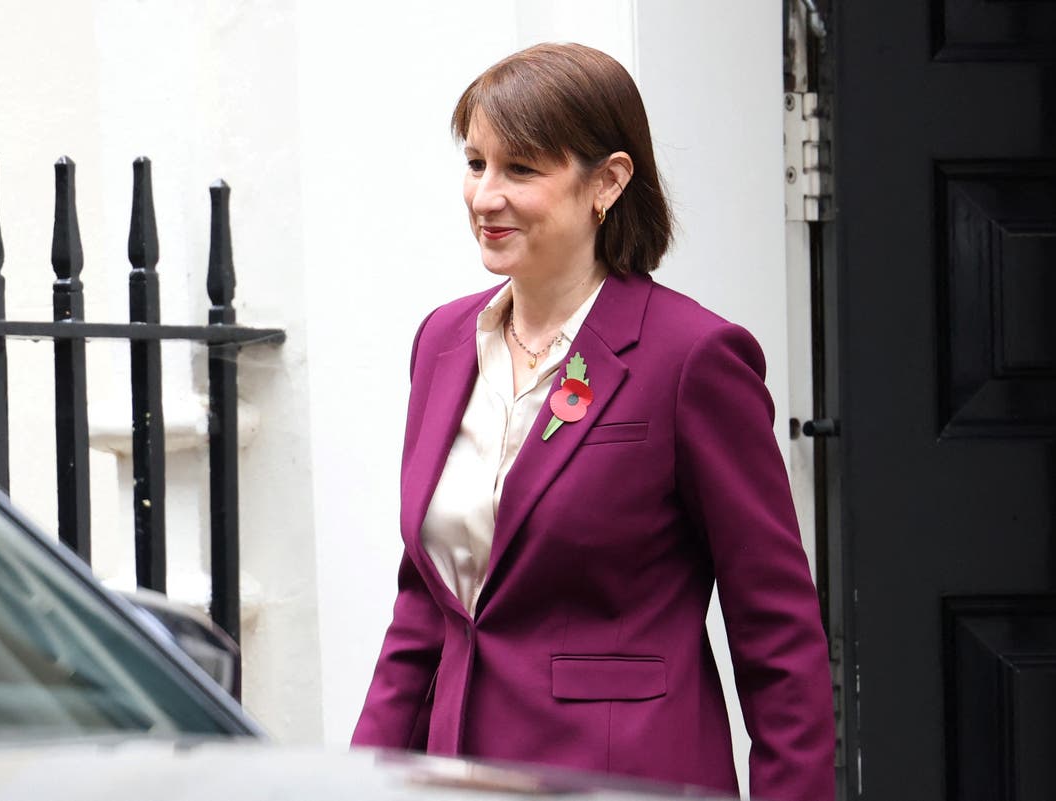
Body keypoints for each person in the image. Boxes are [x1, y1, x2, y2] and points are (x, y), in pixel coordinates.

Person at [352, 42, 835, 800]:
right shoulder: (442, 344)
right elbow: (424, 607)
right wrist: (360, 780)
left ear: (607, 181)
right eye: (476, 163)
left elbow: (777, 634)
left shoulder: (693, 358)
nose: (485, 196)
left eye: (521, 169)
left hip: (621, 779)